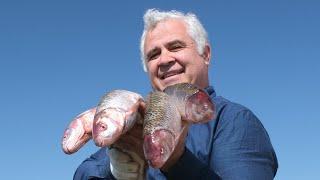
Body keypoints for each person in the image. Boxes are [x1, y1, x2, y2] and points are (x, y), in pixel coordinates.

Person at [73, 9, 278, 180]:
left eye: (175, 47)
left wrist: (177, 161)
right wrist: (118, 165)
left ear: (205, 55)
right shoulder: (133, 126)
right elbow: (84, 173)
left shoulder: (232, 120)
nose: (164, 59)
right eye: (153, 54)